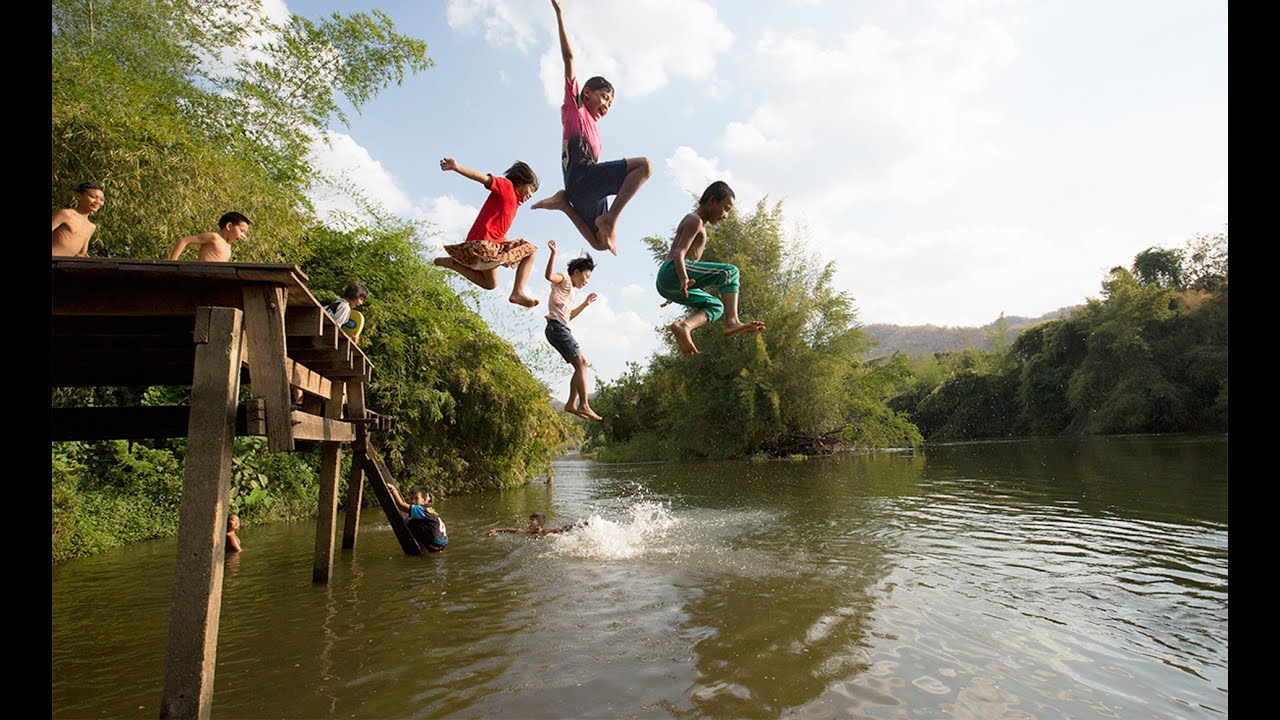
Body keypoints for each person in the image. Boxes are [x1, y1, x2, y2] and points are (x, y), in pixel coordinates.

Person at [530, 0, 651, 256]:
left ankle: (564, 205)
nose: (607, 104)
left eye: (611, 102)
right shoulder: (575, 109)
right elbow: (569, 58)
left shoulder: (595, 131)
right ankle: (609, 220)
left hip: (581, 192)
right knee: (644, 166)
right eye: (604, 97)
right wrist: (560, 14)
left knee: (600, 244)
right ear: (586, 93)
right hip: (582, 178)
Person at [656, 181, 766, 355]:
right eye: (726, 208)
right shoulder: (694, 220)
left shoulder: (699, 224)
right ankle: (732, 322)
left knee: (716, 306)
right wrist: (683, 278)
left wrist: (675, 287)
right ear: (712, 201)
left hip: (670, 282)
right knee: (730, 272)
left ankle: (685, 326)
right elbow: (679, 253)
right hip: (672, 272)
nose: (726, 216)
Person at [434, 157, 541, 308]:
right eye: (530, 190)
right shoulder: (506, 186)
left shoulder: (515, 204)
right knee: (530, 251)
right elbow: (482, 178)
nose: (530, 196)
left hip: (486, 246)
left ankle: (453, 264)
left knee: (491, 284)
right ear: (521, 182)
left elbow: (500, 230)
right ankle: (517, 292)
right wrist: (456, 167)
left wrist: (506, 249)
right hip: (482, 244)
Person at [543, 239, 602, 421]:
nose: (586, 281)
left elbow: (568, 317)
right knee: (581, 363)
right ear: (577, 272)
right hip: (556, 328)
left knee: (580, 365)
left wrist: (585, 304)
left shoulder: (571, 293)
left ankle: (571, 403)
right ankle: (583, 404)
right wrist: (553, 254)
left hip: (560, 327)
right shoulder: (565, 279)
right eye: (587, 276)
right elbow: (549, 276)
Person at [387, 483, 449, 553]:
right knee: (413, 521)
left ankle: (422, 549)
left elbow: (400, 505)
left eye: (416, 498)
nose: (413, 501)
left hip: (435, 542)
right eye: (411, 498)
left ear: (424, 500)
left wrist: (393, 490)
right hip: (443, 542)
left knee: (411, 523)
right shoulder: (429, 509)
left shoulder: (420, 509)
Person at [168, 212, 251, 262]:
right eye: (242, 231)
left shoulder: (228, 247)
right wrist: (172, 263)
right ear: (229, 226)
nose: (242, 235)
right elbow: (184, 241)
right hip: (203, 275)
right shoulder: (214, 237)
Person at [52, 182, 105, 257]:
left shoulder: (91, 227)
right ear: (78, 196)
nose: (98, 202)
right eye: (93, 197)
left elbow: (81, 253)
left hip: (65, 265)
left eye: (101, 199)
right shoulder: (66, 214)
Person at [486, 513, 578, 537]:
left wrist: (577, 525)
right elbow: (511, 529)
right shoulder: (528, 533)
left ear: (539, 523)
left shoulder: (545, 532)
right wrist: (496, 530)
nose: (529, 523)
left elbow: (562, 529)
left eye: (532, 521)